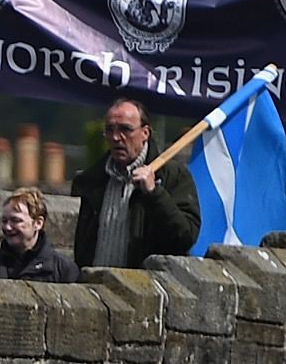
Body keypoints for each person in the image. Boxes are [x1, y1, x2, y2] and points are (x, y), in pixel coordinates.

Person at [70, 98, 200, 269]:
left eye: (125, 129)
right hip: (93, 288)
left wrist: (154, 194)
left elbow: (184, 237)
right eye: (110, 130)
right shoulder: (90, 181)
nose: (116, 137)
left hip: (144, 289)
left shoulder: (172, 176)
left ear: (145, 133)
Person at [0, 188, 78, 283]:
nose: (7, 227)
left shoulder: (63, 268)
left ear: (38, 223)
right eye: (4, 221)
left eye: (15, 220)